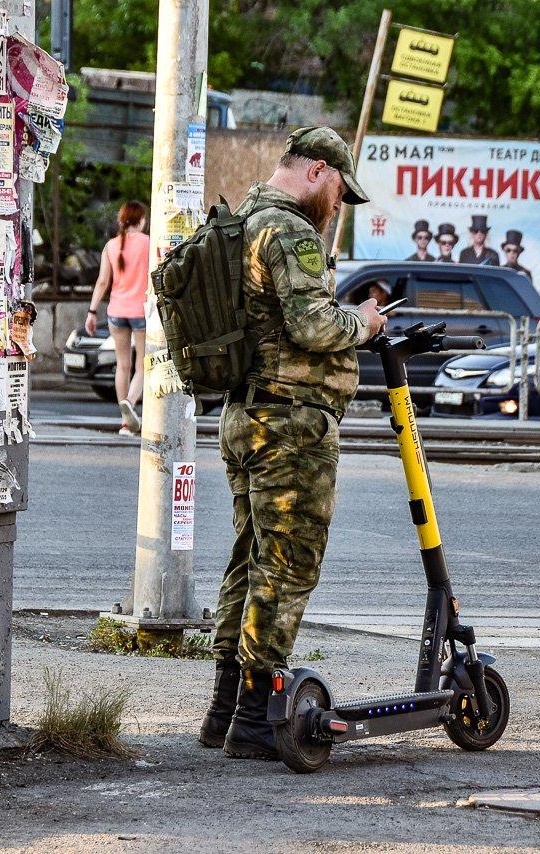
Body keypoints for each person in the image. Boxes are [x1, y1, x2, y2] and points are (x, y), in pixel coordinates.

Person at [199, 126, 386, 759]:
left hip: (245, 418)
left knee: (250, 559)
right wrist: (362, 323)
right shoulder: (291, 232)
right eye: (340, 191)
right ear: (315, 172)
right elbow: (312, 323)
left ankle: (224, 708)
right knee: (285, 567)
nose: (339, 207)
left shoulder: (241, 220)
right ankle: (254, 722)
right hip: (291, 426)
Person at [85, 201, 150, 435]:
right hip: (141, 312)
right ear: (141, 220)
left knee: (122, 365)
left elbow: (102, 282)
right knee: (143, 365)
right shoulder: (148, 243)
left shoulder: (111, 245)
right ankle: (130, 404)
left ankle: (125, 420)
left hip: (116, 312)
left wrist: (92, 312)